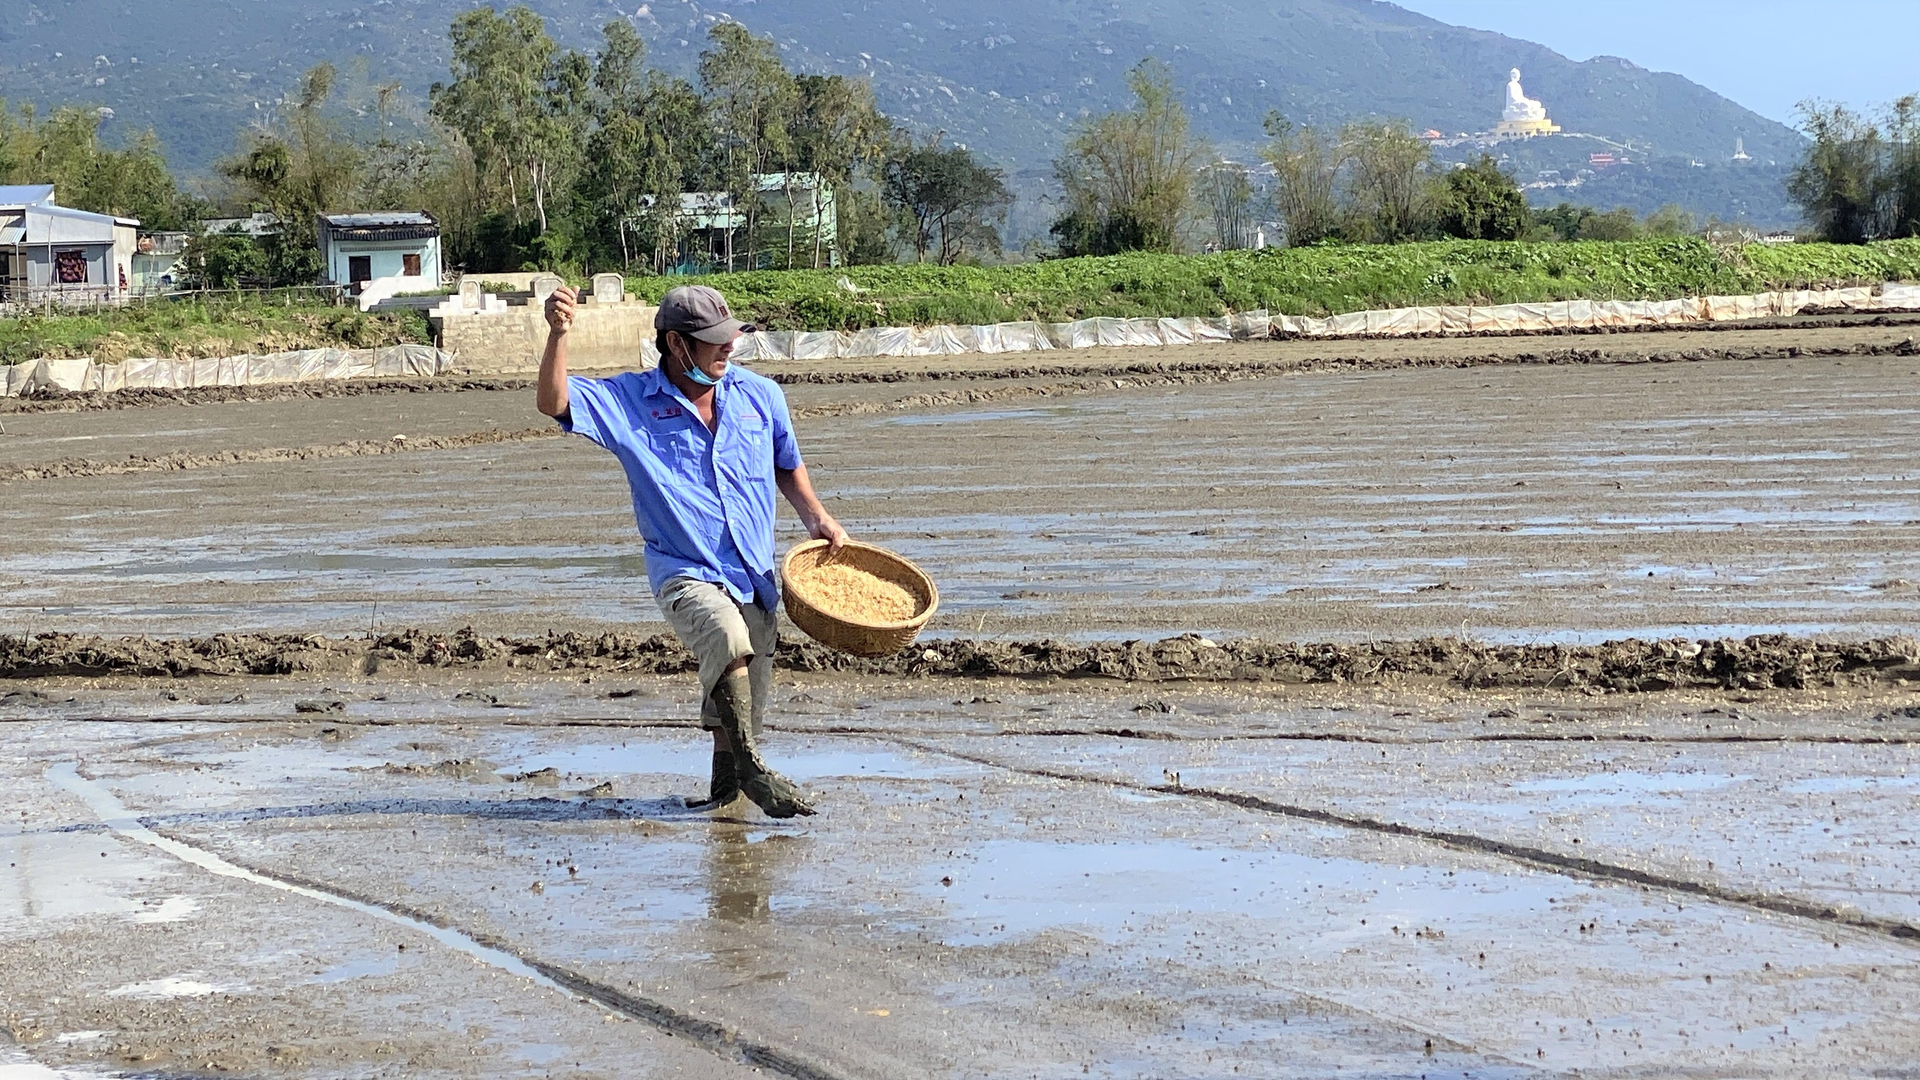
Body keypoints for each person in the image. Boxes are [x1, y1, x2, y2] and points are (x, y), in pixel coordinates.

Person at [536, 283, 847, 818]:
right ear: (677, 346)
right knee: (727, 640)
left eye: (732, 339)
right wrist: (559, 335)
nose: (729, 349)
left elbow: (786, 464)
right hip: (683, 570)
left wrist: (817, 517)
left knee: (743, 692)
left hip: (752, 572)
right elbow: (554, 401)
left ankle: (724, 803)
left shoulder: (760, 397)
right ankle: (753, 771)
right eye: (714, 342)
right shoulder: (629, 403)